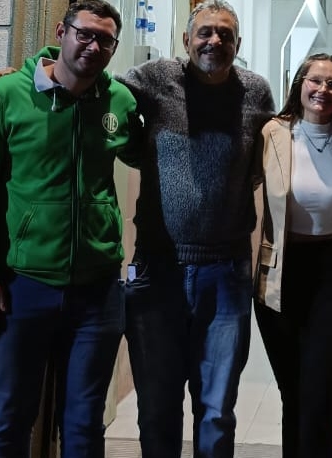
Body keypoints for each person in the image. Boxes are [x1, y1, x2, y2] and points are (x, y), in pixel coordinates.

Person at [0, 1, 140, 457]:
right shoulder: (8, 94)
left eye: (105, 39)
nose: (92, 45)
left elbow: (149, 152)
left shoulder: (120, 100)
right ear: (61, 31)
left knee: (84, 425)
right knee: (9, 421)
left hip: (96, 292)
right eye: (84, 33)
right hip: (20, 288)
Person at [117, 1, 274, 457]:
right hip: (157, 270)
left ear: (238, 44)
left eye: (226, 34)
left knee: (217, 410)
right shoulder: (154, 79)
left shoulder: (255, 93)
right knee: (156, 409)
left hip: (226, 274)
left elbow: (273, 152)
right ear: (186, 40)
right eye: (205, 32)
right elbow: (93, 81)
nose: (214, 41)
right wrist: (31, 70)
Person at [253, 53, 332, 458]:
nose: (323, 90)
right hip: (280, 273)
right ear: (299, 84)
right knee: (293, 394)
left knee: (320, 397)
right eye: (315, 80)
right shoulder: (271, 134)